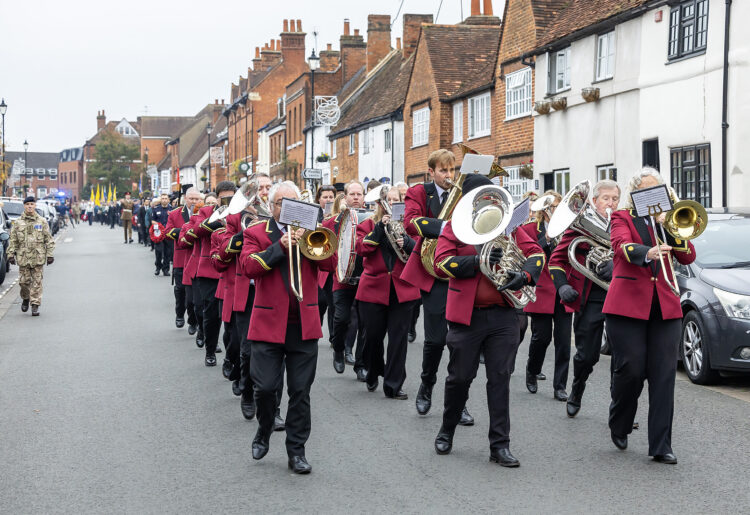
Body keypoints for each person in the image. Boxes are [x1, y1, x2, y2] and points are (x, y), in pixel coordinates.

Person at [432, 175, 545, 467]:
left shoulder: (507, 225)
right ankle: (447, 428)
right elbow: (441, 264)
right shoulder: (455, 229)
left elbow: (536, 253)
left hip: (503, 314)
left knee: (499, 379)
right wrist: (480, 260)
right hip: (467, 316)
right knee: (459, 378)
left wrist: (526, 275)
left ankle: (500, 445)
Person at [239, 181, 335, 474]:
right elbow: (248, 267)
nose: (291, 210)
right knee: (266, 389)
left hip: (304, 324)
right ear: (272, 207)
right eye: (284, 204)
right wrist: (279, 247)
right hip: (268, 324)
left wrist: (314, 239)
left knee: (300, 392)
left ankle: (297, 451)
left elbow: (330, 265)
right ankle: (265, 427)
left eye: (296, 204)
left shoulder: (311, 230)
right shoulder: (256, 232)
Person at [603, 169, 695, 464]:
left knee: (664, 375)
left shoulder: (667, 221)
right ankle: (620, 421)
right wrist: (648, 251)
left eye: (660, 192)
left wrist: (669, 228)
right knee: (631, 370)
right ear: (636, 195)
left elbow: (688, 256)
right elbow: (620, 246)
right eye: (648, 192)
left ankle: (661, 445)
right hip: (627, 306)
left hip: (665, 306)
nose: (656, 197)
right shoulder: (622, 217)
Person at [402, 149, 473, 425]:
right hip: (432, 271)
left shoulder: (463, 194)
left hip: (458, 270)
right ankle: (426, 383)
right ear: (431, 172)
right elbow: (410, 223)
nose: (449, 176)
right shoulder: (419, 192)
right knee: (434, 340)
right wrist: (445, 227)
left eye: (452, 170)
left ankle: (459, 402)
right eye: (443, 171)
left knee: (462, 343)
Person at [548, 180, 620, 418]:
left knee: (622, 358)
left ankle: (619, 409)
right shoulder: (578, 227)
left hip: (620, 297)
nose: (610, 203)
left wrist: (616, 265)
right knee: (587, 355)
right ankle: (577, 388)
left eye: (615, 199)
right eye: (606, 199)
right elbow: (556, 261)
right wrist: (562, 286)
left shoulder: (623, 224)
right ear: (594, 200)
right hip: (591, 299)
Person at [356, 185, 420, 399]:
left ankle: (393, 385)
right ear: (381, 203)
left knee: (398, 339)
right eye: (389, 200)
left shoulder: (409, 225)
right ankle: (374, 370)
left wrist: (407, 241)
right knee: (372, 337)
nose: (392, 204)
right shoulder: (368, 223)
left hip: (403, 288)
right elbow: (361, 248)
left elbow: (420, 251)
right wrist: (379, 229)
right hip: (373, 289)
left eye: (397, 200)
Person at [516, 191, 571, 401]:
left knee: (564, 341)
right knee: (542, 337)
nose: (555, 210)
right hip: (542, 289)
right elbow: (526, 255)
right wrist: (546, 238)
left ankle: (560, 386)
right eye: (551, 206)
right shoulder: (529, 229)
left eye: (558, 205)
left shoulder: (569, 229)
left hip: (564, 288)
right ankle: (532, 369)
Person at [182, 185, 235, 366]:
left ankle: (231, 356)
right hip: (209, 270)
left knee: (231, 318)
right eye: (223, 198)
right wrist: (217, 219)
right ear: (217, 198)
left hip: (232, 270)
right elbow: (195, 232)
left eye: (231, 197)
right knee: (211, 313)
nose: (227, 201)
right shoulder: (205, 211)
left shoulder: (241, 211)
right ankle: (210, 350)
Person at [324, 180, 367, 379]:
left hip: (366, 279)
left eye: (359, 194)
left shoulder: (370, 219)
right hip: (342, 279)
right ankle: (339, 350)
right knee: (341, 319)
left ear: (364, 197)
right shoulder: (333, 221)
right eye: (352, 194)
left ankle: (361, 364)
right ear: (345, 196)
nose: (356, 197)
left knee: (366, 324)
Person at [7, 196, 55, 316]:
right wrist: (10, 254)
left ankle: (35, 305)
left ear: (35, 206)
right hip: (23, 257)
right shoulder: (18, 222)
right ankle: (26, 298)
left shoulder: (42, 221)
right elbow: (13, 240)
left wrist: (50, 255)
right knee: (24, 282)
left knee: (37, 282)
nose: (29, 206)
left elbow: (48, 239)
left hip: (38, 257)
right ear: (24, 206)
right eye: (27, 204)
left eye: (32, 204)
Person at [166, 188, 199, 331]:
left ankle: (193, 321)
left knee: (195, 293)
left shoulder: (204, 213)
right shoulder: (175, 214)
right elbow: (168, 232)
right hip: (181, 257)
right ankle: (179, 314)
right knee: (180, 290)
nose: (194, 202)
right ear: (185, 198)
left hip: (197, 256)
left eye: (197, 199)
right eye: (191, 199)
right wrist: (186, 232)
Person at [315, 185, 337, 339]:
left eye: (331, 197)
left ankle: (334, 337)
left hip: (333, 264)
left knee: (334, 303)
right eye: (325, 197)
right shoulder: (315, 214)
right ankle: (315, 331)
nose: (328, 200)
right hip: (319, 265)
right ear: (319, 199)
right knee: (320, 301)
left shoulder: (339, 214)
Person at [151, 194, 172, 276]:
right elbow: (152, 221)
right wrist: (159, 226)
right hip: (159, 234)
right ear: (160, 200)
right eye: (162, 198)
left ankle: (166, 269)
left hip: (168, 234)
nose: (164, 200)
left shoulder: (172, 209)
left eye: (165, 198)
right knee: (158, 251)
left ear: (168, 200)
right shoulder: (156, 209)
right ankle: (158, 267)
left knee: (167, 252)